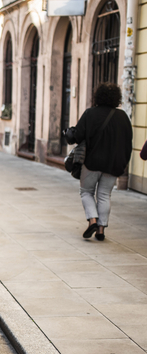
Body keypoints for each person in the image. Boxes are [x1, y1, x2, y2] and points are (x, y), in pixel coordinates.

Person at [71, 82, 132, 241]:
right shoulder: (123, 117)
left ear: (98, 96)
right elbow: (128, 142)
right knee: (105, 195)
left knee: (86, 192)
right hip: (113, 164)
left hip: (92, 162)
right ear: (116, 98)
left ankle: (92, 220)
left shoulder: (90, 114)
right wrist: (123, 163)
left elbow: (77, 136)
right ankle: (101, 230)